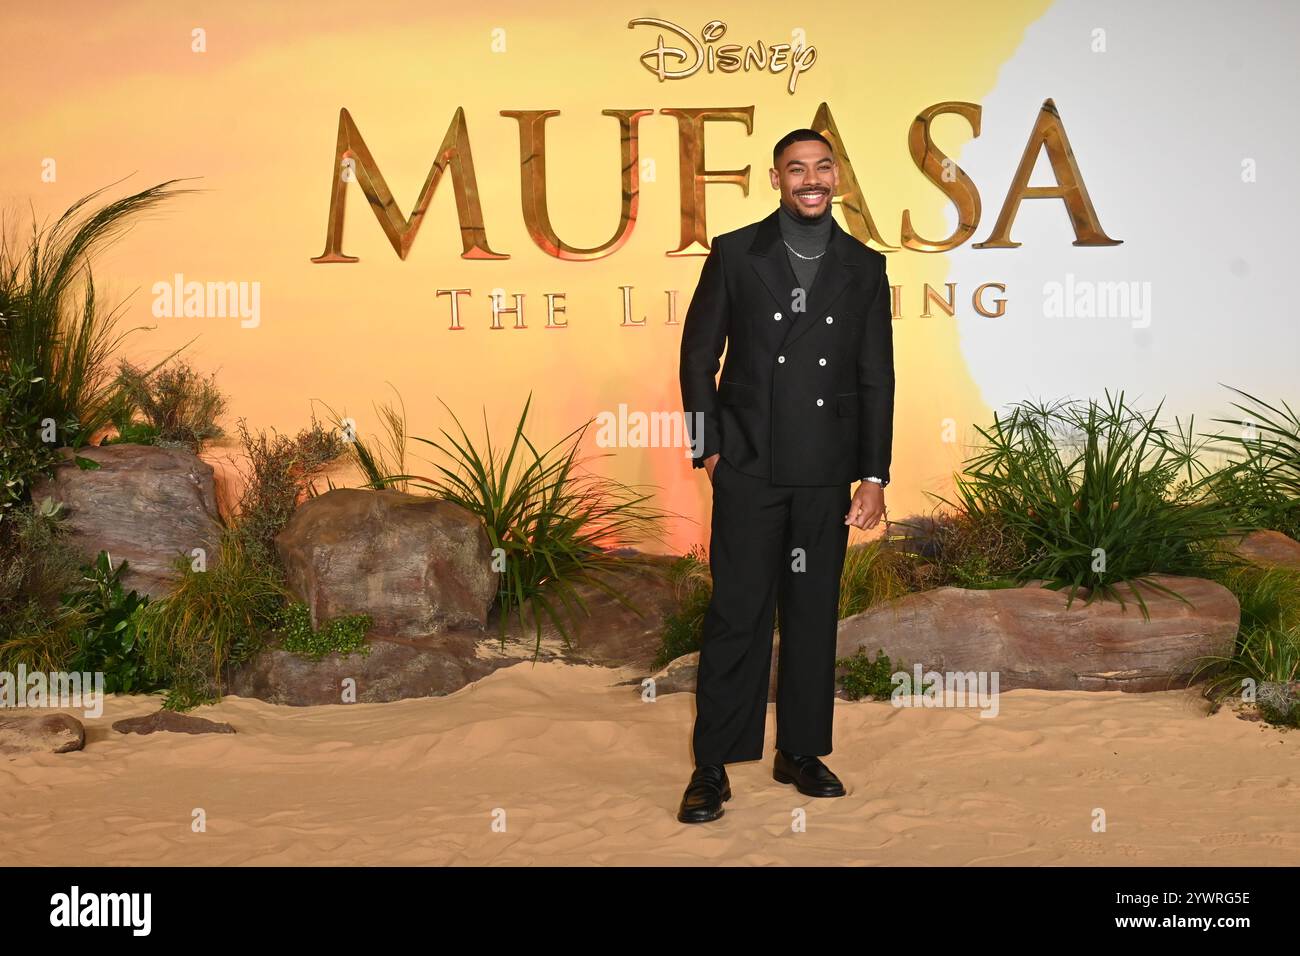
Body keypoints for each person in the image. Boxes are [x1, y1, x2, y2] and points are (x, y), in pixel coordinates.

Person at [676, 128, 895, 823]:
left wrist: (873, 476)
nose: (811, 178)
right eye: (796, 168)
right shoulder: (737, 253)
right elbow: (696, 356)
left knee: (811, 617)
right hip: (749, 466)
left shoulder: (863, 266)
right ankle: (713, 764)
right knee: (737, 614)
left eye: (822, 166)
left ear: (838, 177)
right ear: (776, 178)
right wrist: (710, 450)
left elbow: (875, 379)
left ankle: (799, 750)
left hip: (825, 471)